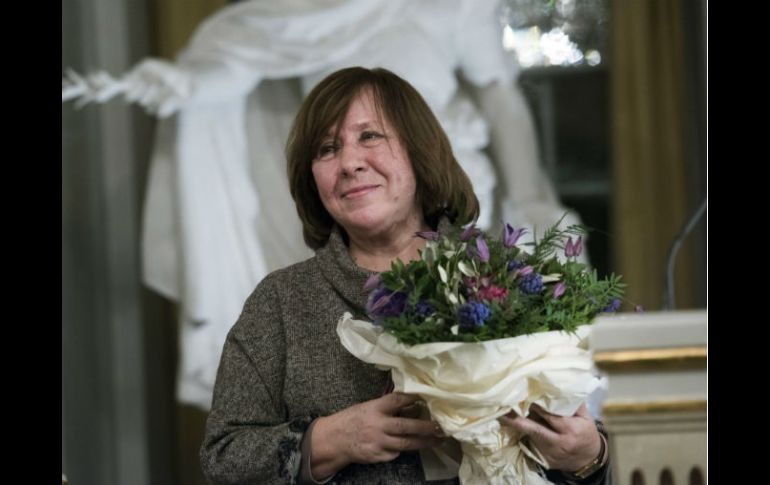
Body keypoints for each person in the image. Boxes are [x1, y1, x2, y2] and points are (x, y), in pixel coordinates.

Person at [199, 67, 609, 484]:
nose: (349, 163)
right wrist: (329, 440)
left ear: (418, 150)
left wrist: (589, 457)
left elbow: (579, 436)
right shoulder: (281, 302)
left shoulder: (505, 274)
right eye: (326, 149)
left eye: (369, 136)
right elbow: (222, 459)